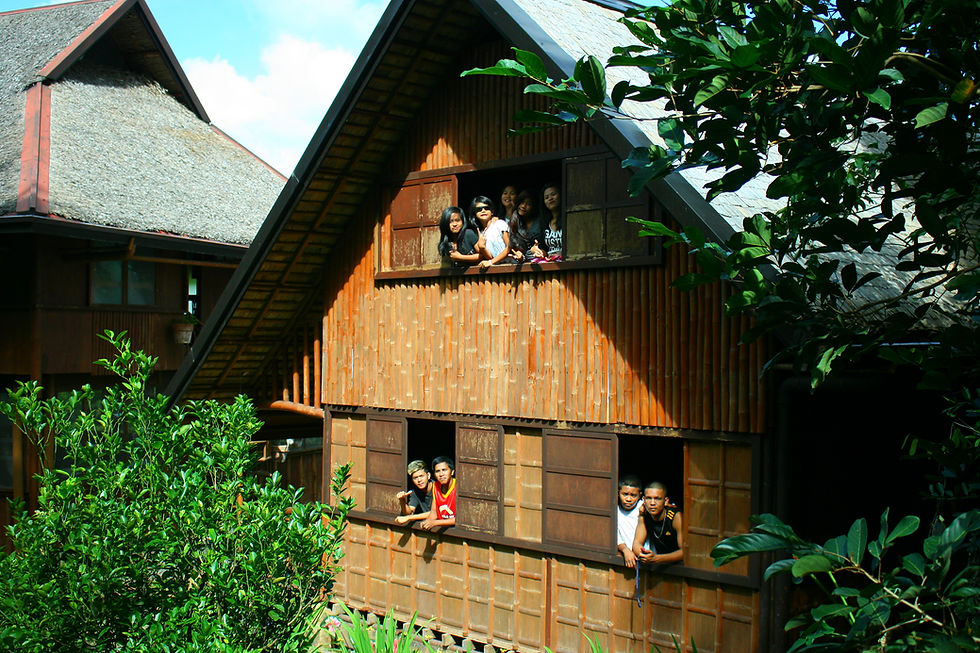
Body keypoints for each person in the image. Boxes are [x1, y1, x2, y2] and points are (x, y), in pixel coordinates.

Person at [633, 481, 683, 565]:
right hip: (659, 564)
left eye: (657, 499)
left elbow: (684, 552)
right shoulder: (644, 515)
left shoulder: (675, 517)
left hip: (679, 565)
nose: (652, 503)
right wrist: (644, 554)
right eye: (649, 498)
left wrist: (656, 558)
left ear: (666, 501)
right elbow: (637, 544)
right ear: (644, 500)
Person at [471, 196, 510, 268]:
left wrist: (491, 262)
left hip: (510, 266)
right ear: (475, 214)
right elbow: (490, 257)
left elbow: (509, 247)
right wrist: (482, 248)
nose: (483, 210)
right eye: (479, 209)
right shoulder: (481, 233)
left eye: (486, 208)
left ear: (492, 211)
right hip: (496, 269)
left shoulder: (500, 224)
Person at [508, 189, 545, 261]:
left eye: (528, 204)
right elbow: (516, 247)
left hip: (540, 260)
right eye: (521, 202)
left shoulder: (539, 222)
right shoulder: (515, 221)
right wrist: (519, 254)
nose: (523, 206)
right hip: (522, 262)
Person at [421, 456, 457, 530]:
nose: (441, 474)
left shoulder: (458, 487)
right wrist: (428, 521)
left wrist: (435, 523)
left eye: (444, 470)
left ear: (452, 472)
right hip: (442, 529)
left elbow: (461, 519)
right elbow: (434, 512)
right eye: (437, 471)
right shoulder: (436, 486)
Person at [394, 460, 433, 525]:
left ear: (428, 475)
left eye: (421, 476)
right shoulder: (415, 492)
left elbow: (437, 512)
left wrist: (409, 518)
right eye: (415, 478)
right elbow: (409, 512)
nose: (419, 480)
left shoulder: (438, 488)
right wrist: (402, 500)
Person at [616, 475, 643, 568]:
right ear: (618, 492)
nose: (628, 499)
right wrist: (625, 550)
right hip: (627, 557)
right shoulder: (614, 511)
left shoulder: (643, 507)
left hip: (645, 557)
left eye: (633, 495)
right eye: (625, 494)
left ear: (640, 495)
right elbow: (614, 535)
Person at [541, 183, 563, 261]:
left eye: (553, 194)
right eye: (546, 197)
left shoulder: (568, 220)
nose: (550, 198)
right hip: (550, 264)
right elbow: (543, 248)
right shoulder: (545, 223)